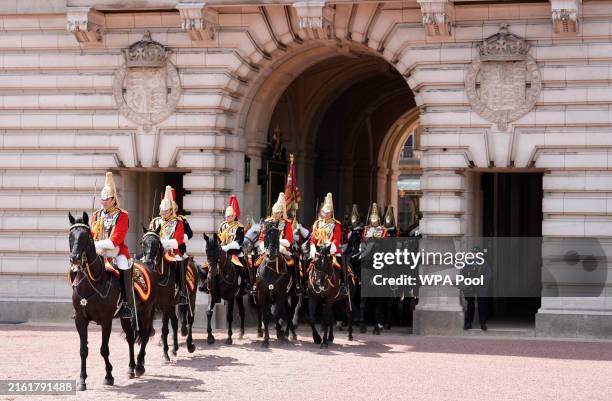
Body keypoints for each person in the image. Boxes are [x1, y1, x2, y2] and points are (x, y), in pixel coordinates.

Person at [91, 172, 134, 319]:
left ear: (113, 199)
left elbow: (115, 240)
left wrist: (94, 244)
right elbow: (92, 233)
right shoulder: (96, 215)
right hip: (98, 251)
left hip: (116, 251)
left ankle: (127, 304)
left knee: (124, 266)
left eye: (107, 199)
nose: (104, 202)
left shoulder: (122, 215)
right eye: (102, 199)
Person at [150, 186, 187, 305]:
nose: (163, 213)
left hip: (171, 251)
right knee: (141, 261)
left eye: (166, 211)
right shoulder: (155, 221)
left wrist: (161, 243)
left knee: (179, 261)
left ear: (171, 210)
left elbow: (177, 242)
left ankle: (182, 292)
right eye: (162, 210)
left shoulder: (178, 222)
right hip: (156, 252)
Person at [310, 192, 347, 295]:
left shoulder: (336, 224)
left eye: (328, 212)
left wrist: (330, 247)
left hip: (331, 250)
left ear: (331, 213)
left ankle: (344, 285)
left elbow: (336, 238)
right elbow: (313, 238)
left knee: (342, 262)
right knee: (305, 261)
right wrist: (313, 247)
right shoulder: (317, 223)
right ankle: (303, 284)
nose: (326, 214)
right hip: (318, 250)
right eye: (324, 212)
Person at [218, 194, 253, 293]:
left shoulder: (239, 226)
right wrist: (219, 247)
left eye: (229, 216)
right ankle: (208, 283)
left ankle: (246, 282)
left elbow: (238, 242)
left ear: (234, 216)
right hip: (222, 251)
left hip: (235, 252)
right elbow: (219, 238)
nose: (227, 218)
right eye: (226, 216)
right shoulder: (222, 226)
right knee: (211, 263)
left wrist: (227, 247)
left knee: (243, 265)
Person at [258, 193, 294, 274]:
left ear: (281, 213)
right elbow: (261, 238)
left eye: (278, 212)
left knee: (294, 263)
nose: (276, 214)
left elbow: (289, 241)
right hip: (267, 246)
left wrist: (276, 241)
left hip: (282, 247)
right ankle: (253, 282)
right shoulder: (267, 222)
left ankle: (296, 282)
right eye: (275, 212)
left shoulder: (286, 223)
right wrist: (264, 245)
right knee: (255, 261)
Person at [462, 246, 492, 331]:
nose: (475, 255)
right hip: (470, 287)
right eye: (474, 253)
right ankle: (468, 323)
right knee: (470, 305)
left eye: (477, 253)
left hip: (481, 287)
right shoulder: (467, 263)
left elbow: (489, 275)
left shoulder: (485, 264)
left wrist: (480, 279)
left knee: (482, 305)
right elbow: (462, 274)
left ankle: (483, 323)